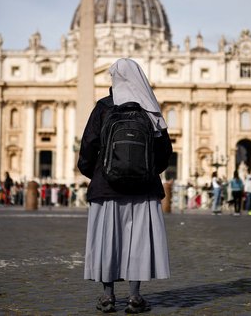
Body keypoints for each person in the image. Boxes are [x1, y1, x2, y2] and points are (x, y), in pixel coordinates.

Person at [78, 58, 172, 314]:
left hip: (106, 187)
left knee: (107, 240)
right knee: (138, 241)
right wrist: (147, 172)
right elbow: (165, 153)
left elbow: (87, 146)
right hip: (143, 188)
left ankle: (108, 297)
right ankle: (134, 297)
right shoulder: (150, 109)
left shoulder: (104, 107)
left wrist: (96, 173)